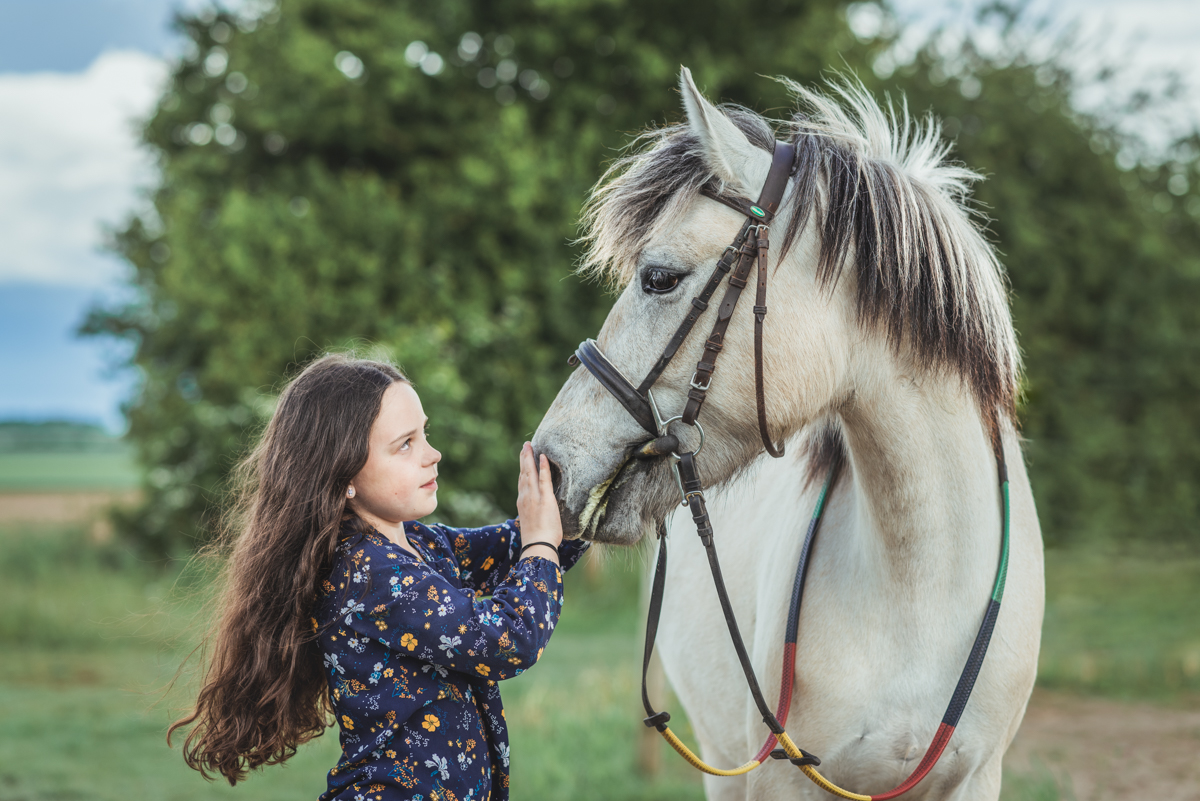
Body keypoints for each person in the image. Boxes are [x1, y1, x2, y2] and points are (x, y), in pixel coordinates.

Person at [169, 353, 588, 800]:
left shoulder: (420, 545)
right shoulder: (368, 574)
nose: (432, 454)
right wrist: (541, 543)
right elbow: (508, 639)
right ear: (344, 470)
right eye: (405, 444)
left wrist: (595, 491)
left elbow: (515, 545)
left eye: (425, 433)